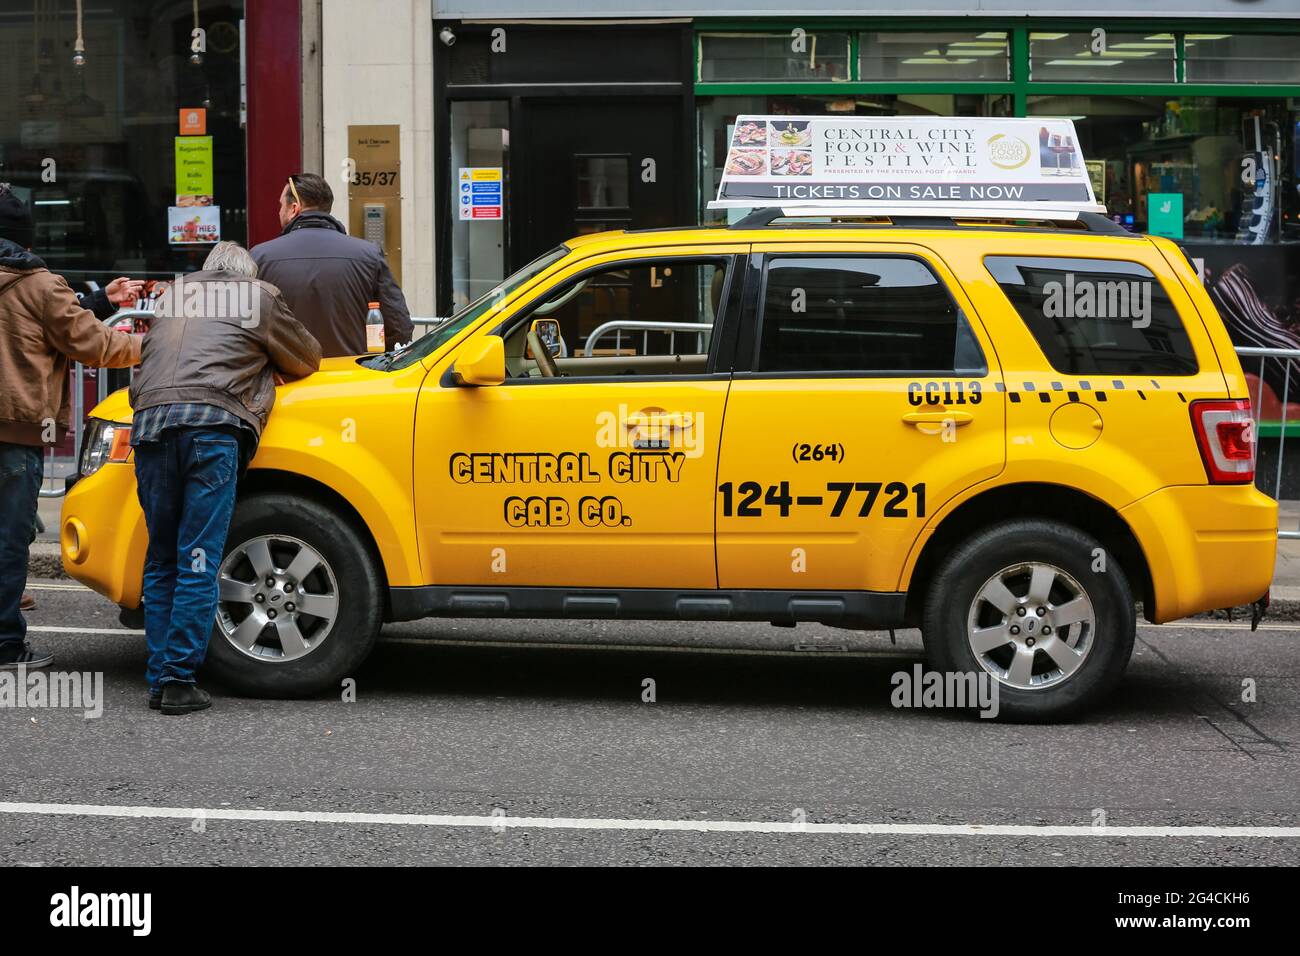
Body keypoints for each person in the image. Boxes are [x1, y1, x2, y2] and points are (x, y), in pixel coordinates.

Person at [129, 241, 320, 714]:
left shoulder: (174, 295)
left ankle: (159, 677)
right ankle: (177, 680)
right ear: (246, 274)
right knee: (197, 558)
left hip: (150, 429)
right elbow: (306, 357)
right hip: (211, 430)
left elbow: (145, 363)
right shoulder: (258, 296)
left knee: (161, 560)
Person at [0, 184, 142, 670]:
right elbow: (93, 344)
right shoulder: (40, 284)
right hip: (15, 433)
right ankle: (4, 644)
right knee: (8, 541)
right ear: (26, 243)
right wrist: (158, 347)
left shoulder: (41, 287)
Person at [252, 172, 412, 357]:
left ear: (294, 208)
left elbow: (243, 328)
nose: (278, 211)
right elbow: (399, 326)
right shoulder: (369, 255)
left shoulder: (260, 257)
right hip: (351, 378)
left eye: (281, 205)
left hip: (287, 380)